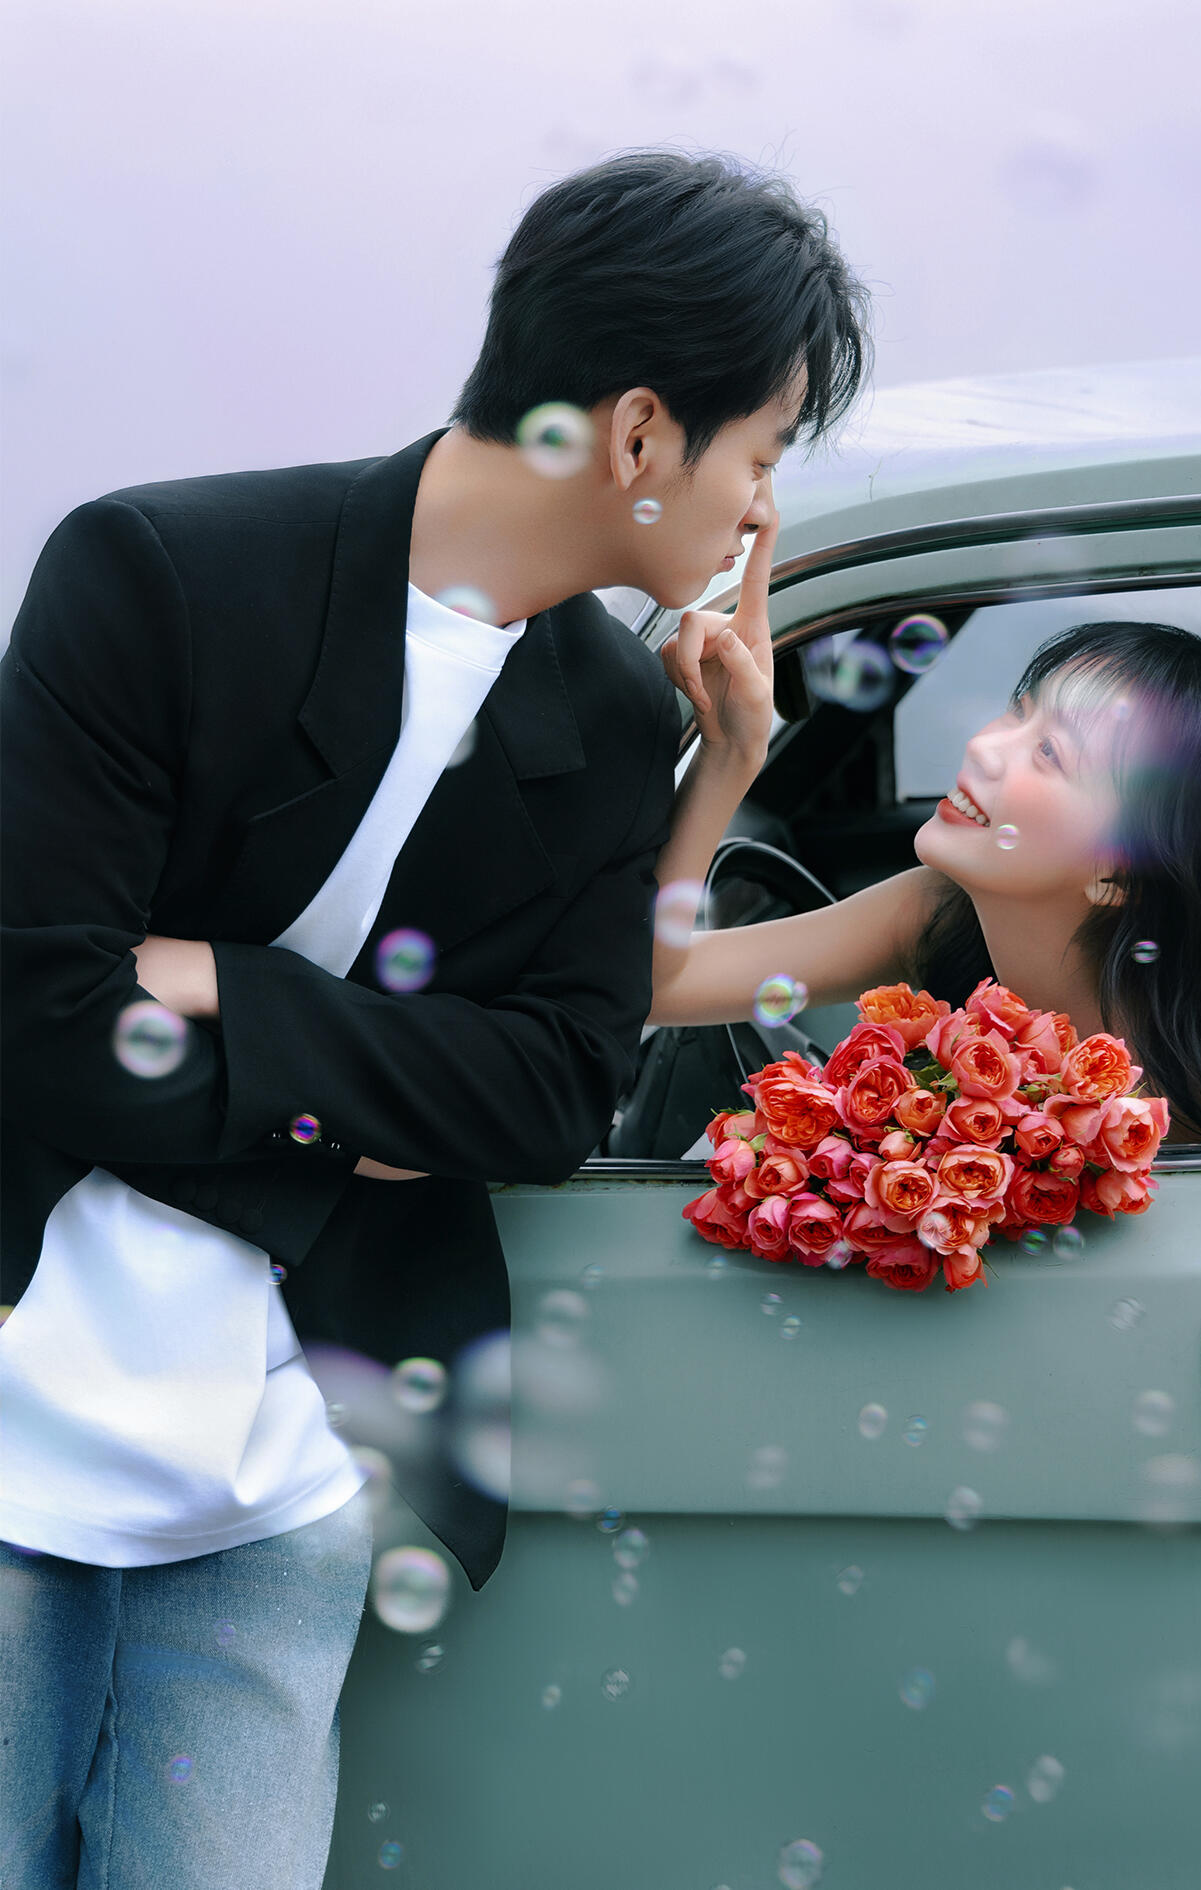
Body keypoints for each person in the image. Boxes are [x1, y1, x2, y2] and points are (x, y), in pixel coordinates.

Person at [0, 150, 870, 1888]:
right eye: (764, 454)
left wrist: (226, 985)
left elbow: (549, 1091)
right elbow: (35, 1016)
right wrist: (376, 1105)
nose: (759, 514)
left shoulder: (611, 715)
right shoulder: (162, 571)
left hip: (287, 1463)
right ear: (641, 435)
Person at [650, 613, 1201, 1145]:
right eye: (1018, 712)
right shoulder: (934, 912)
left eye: (1049, 752)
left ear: (1115, 870)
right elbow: (648, 984)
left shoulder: (1166, 1118)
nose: (984, 746)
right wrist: (728, 757)